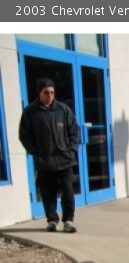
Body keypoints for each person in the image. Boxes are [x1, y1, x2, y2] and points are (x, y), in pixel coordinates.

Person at [19, 77, 80, 233]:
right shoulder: (30, 112)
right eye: (46, 92)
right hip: (45, 161)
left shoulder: (63, 110)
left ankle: (68, 221)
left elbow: (74, 132)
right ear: (40, 93)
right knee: (48, 193)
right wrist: (36, 152)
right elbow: (24, 135)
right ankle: (52, 220)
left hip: (65, 159)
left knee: (67, 192)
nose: (50, 95)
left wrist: (71, 150)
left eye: (52, 92)